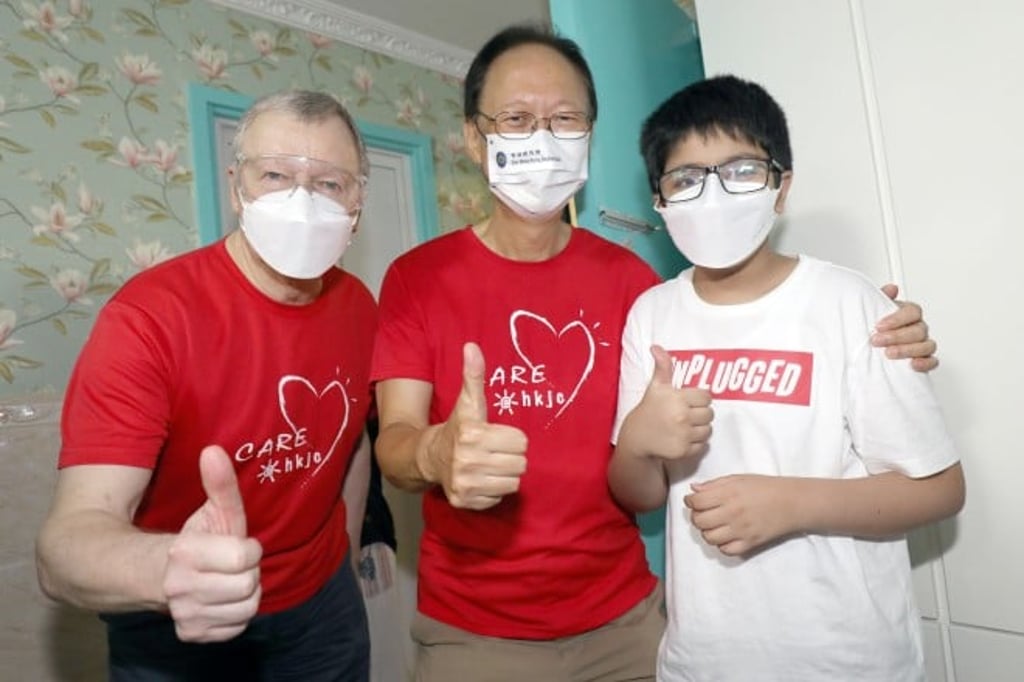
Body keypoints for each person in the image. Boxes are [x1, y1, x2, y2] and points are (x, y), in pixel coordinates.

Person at [369, 25, 939, 682]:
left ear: (588, 135)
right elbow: (396, 441)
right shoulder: (417, 277)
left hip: (629, 622)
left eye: (564, 120)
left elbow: (736, 341)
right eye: (517, 119)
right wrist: (435, 453)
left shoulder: (637, 286)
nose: (543, 139)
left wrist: (878, 327)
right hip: (474, 632)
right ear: (475, 138)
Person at [609, 74, 966, 681]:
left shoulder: (851, 304)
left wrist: (790, 504)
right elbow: (638, 494)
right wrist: (639, 442)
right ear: (659, 201)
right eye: (686, 178)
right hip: (702, 661)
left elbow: (939, 490)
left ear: (781, 187)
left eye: (741, 170)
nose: (714, 195)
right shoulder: (652, 314)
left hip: (846, 661)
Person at [35, 90, 377, 681]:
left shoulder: (360, 308)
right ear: (236, 187)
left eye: (329, 183)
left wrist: (342, 556)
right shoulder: (150, 319)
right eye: (275, 175)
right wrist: (168, 569)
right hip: (176, 620)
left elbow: (351, 441)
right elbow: (65, 543)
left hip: (322, 610)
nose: (302, 200)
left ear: (357, 204)